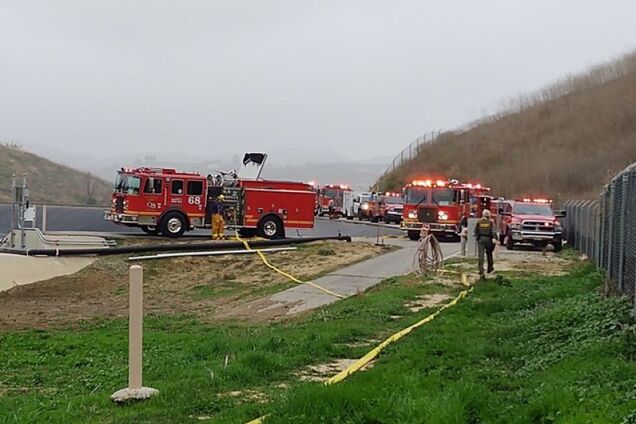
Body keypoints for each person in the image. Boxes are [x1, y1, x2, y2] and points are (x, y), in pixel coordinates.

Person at [474, 209, 497, 278]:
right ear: (489, 215)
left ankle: (481, 270)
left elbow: (475, 231)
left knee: (480, 255)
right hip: (489, 240)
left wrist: (478, 238)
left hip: (481, 240)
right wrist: (495, 237)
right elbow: (493, 231)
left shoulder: (479, 222)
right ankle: (490, 268)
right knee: (489, 254)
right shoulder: (491, 222)